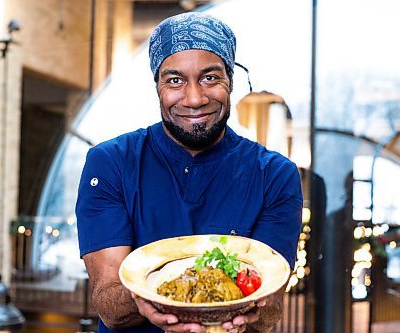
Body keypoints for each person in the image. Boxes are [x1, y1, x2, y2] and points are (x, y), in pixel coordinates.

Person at [75, 12, 302, 333]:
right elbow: (111, 306)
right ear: (157, 86)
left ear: (231, 82)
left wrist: (246, 313)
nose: (194, 98)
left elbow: (269, 311)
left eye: (210, 77)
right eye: (175, 80)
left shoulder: (275, 174)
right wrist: (157, 299)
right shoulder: (111, 162)